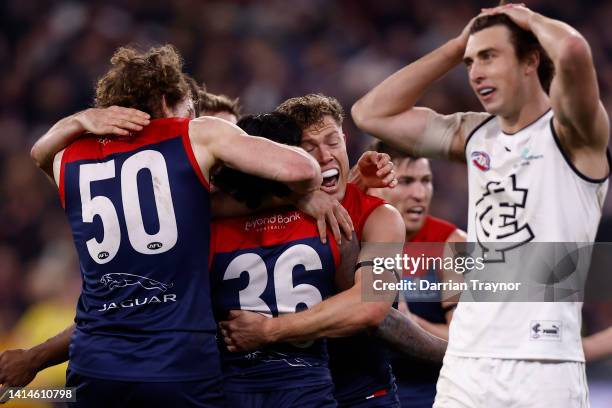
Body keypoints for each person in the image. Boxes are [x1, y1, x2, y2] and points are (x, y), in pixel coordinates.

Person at [21, 44, 328, 408]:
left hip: (95, 364)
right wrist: (304, 193)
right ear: (170, 100)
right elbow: (376, 306)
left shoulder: (67, 158)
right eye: (190, 107)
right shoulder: (370, 214)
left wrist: (75, 121)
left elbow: (40, 154)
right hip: (183, 365)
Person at [351, 3, 610, 407]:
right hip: (466, 366)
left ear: (530, 60)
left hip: (543, 365)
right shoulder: (474, 135)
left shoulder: (574, 134)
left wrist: (527, 18)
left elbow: (574, 50)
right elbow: (369, 113)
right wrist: (456, 47)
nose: (475, 72)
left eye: (489, 56)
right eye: (470, 62)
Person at [219, 94, 448, 407]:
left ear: (345, 140)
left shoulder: (380, 216)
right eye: (309, 147)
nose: (325, 156)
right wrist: (294, 197)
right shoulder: (249, 211)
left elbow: (372, 307)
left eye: (332, 142)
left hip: (363, 395)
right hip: (288, 392)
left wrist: (268, 331)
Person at [367, 141, 466, 408]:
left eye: (426, 181)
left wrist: (410, 322)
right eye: (407, 181)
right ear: (375, 185)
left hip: (430, 395)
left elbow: (467, 339)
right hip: (363, 391)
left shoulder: (452, 244)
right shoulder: (354, 237)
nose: (420, 193)